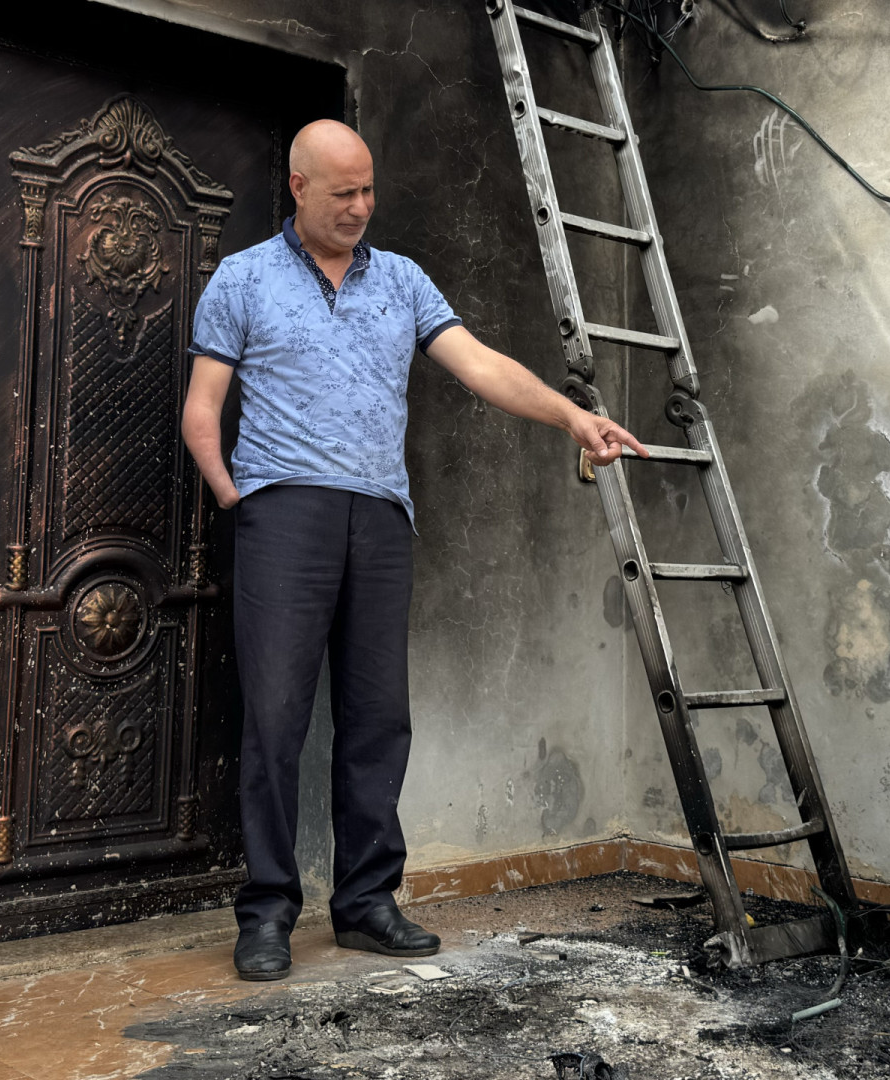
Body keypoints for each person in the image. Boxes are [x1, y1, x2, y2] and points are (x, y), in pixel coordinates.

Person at [182, 119, 645, 981]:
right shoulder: (242, 278)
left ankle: (364, 903)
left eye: (367, 190)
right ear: (298, 187)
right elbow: (202, 408)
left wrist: (572, 417)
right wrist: (235, 499)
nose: (359, 207)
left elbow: (479, 366)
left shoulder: (401, 280)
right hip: (283, 514)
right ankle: (269, 911)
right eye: (341, 193)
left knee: (376, 718)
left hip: (381, 518)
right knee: (275, 721)